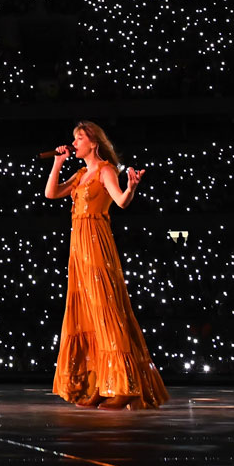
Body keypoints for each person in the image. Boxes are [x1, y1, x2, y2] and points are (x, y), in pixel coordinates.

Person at [44, 121, 168, 410]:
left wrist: (132, 187)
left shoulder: (105, 170)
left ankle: (126, 386)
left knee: (107, 311)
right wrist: (58, 162)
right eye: (74, 139)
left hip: (97, 244)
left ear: (94, 142)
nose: (74, 143)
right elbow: (51, 193)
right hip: (79, 248)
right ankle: (101, 384)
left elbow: (121, 202)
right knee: (87, 315)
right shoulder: (79, 174)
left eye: (79, 138)